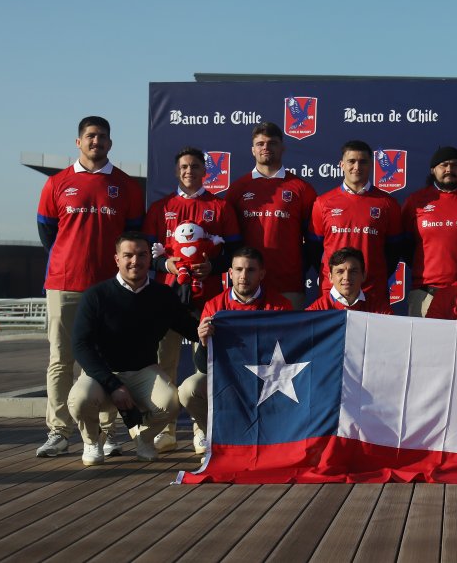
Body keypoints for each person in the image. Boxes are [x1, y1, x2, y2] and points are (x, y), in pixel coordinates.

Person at [35, 116, 145, 459]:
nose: (96, 142)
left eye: (102, 137)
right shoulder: (57, 183)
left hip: (109, 289)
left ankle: (107, 433)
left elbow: (133, 237)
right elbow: (47, 233)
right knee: (60, 360)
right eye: (90, 136)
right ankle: (59, 432)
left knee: (106, 362)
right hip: (64, 284)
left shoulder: (125, 185)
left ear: (110, 144)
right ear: (78, 142)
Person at [67, 232, 201, 466]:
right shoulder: (96, 296)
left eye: (141, 255)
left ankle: (144, 438)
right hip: (102, 375)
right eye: (128, 255)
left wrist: (211, 328)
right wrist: (113, 385)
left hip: (143, 372)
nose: (135, 261)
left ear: (150, 260)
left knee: (170, 402)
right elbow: (80, 345)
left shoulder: (162, 295)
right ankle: (92, 440)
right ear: (117, 259)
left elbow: (190, 329)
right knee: (80, 399)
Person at [143, 146, 242, 452]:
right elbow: (146, 254)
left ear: (205, 171)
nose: (189, 171)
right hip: (168, 297)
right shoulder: (161, 208)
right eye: (184, 167)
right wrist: (166, 265)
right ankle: (166, 430)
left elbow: (234, 253)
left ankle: (202, 429)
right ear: (177, 171)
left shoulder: (220, 207)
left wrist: (214, 265)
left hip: (207, 297)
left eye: (196, 167)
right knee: (164, 363)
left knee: (205, 364)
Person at [181, 247, 292, 455]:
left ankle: (279, 439)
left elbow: (291, 353)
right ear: (230, 273)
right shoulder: (214, 306)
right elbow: (201, 367)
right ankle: (214, 435)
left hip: (267, 380)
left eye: (250, 270)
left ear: (262, 274)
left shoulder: (280, 306)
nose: (243, 276)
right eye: (238, 270)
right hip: (228, 380)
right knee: (189, 389)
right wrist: (204, 342)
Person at [226, 122, 317, 309]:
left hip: (288, 284)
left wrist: (297, 268)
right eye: (260, 144)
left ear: (282, 147)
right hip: (245, 287)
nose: (266, 148)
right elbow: (229, 241)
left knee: (289, 338)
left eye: (272, 143)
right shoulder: (237, 189)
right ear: (253, 150)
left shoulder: (302, 189)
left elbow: (314, 242)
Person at [401, 146, 457, 316]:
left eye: (455, 165)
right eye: (444, 165)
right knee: (424, 343)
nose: (449, 170)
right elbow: (403, 246)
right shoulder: (415, 201)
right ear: (433, 170)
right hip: (425, 293)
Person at [310, 141, 403, 301]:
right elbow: (313, 248)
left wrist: (372, 275)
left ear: (371, 165)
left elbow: (394, 251)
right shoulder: (323, 203)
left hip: (373, 292)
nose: (357, 167)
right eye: (351, 161)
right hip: (332, 293)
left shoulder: (388, 204)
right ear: (342, 165)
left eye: (363, 162)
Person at [306, 247, 394, 314]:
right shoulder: (314, 312)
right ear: (330, 277)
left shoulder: (382, 312)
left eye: (353, 271)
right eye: (340, 272)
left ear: (363, 275)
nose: (346, 277)